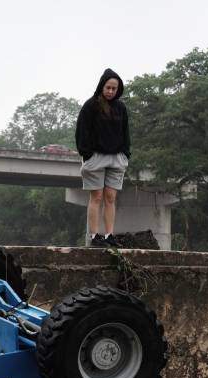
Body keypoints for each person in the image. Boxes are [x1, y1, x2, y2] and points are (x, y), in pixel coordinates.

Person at [75, 68, 130, 247]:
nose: (111, 91)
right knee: (96, 196)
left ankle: (109, 235)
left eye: (114, 89)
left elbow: (125, 132)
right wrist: (87, 154)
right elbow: (82, 131)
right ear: (102, 86)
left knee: (110, 197)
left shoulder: (120, 107)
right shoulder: (91, 106)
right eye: (108, 87)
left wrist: (125, 153)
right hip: (96, 157)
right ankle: (94, 236)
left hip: (116, 157)